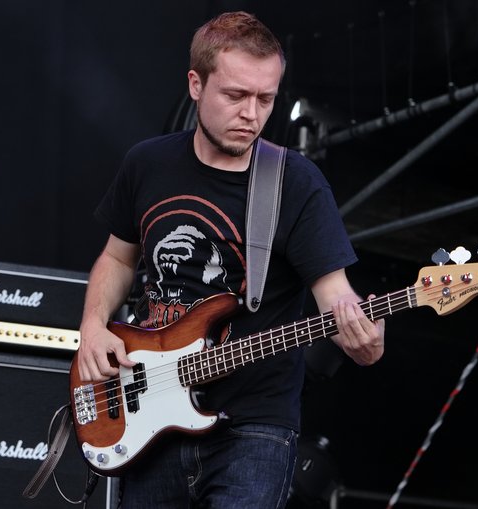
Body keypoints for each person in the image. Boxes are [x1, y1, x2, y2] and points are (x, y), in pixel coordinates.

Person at [76, 11, 385, 509]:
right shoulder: (147, 163)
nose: (251, 114)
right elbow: (117, 258)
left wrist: (362, 338)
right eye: (236, 95)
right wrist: (93, 326)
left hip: (255, 427)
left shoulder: (295, 183)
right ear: (196, 84)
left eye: (265, 98)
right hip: (150, 410)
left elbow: (336, 295)